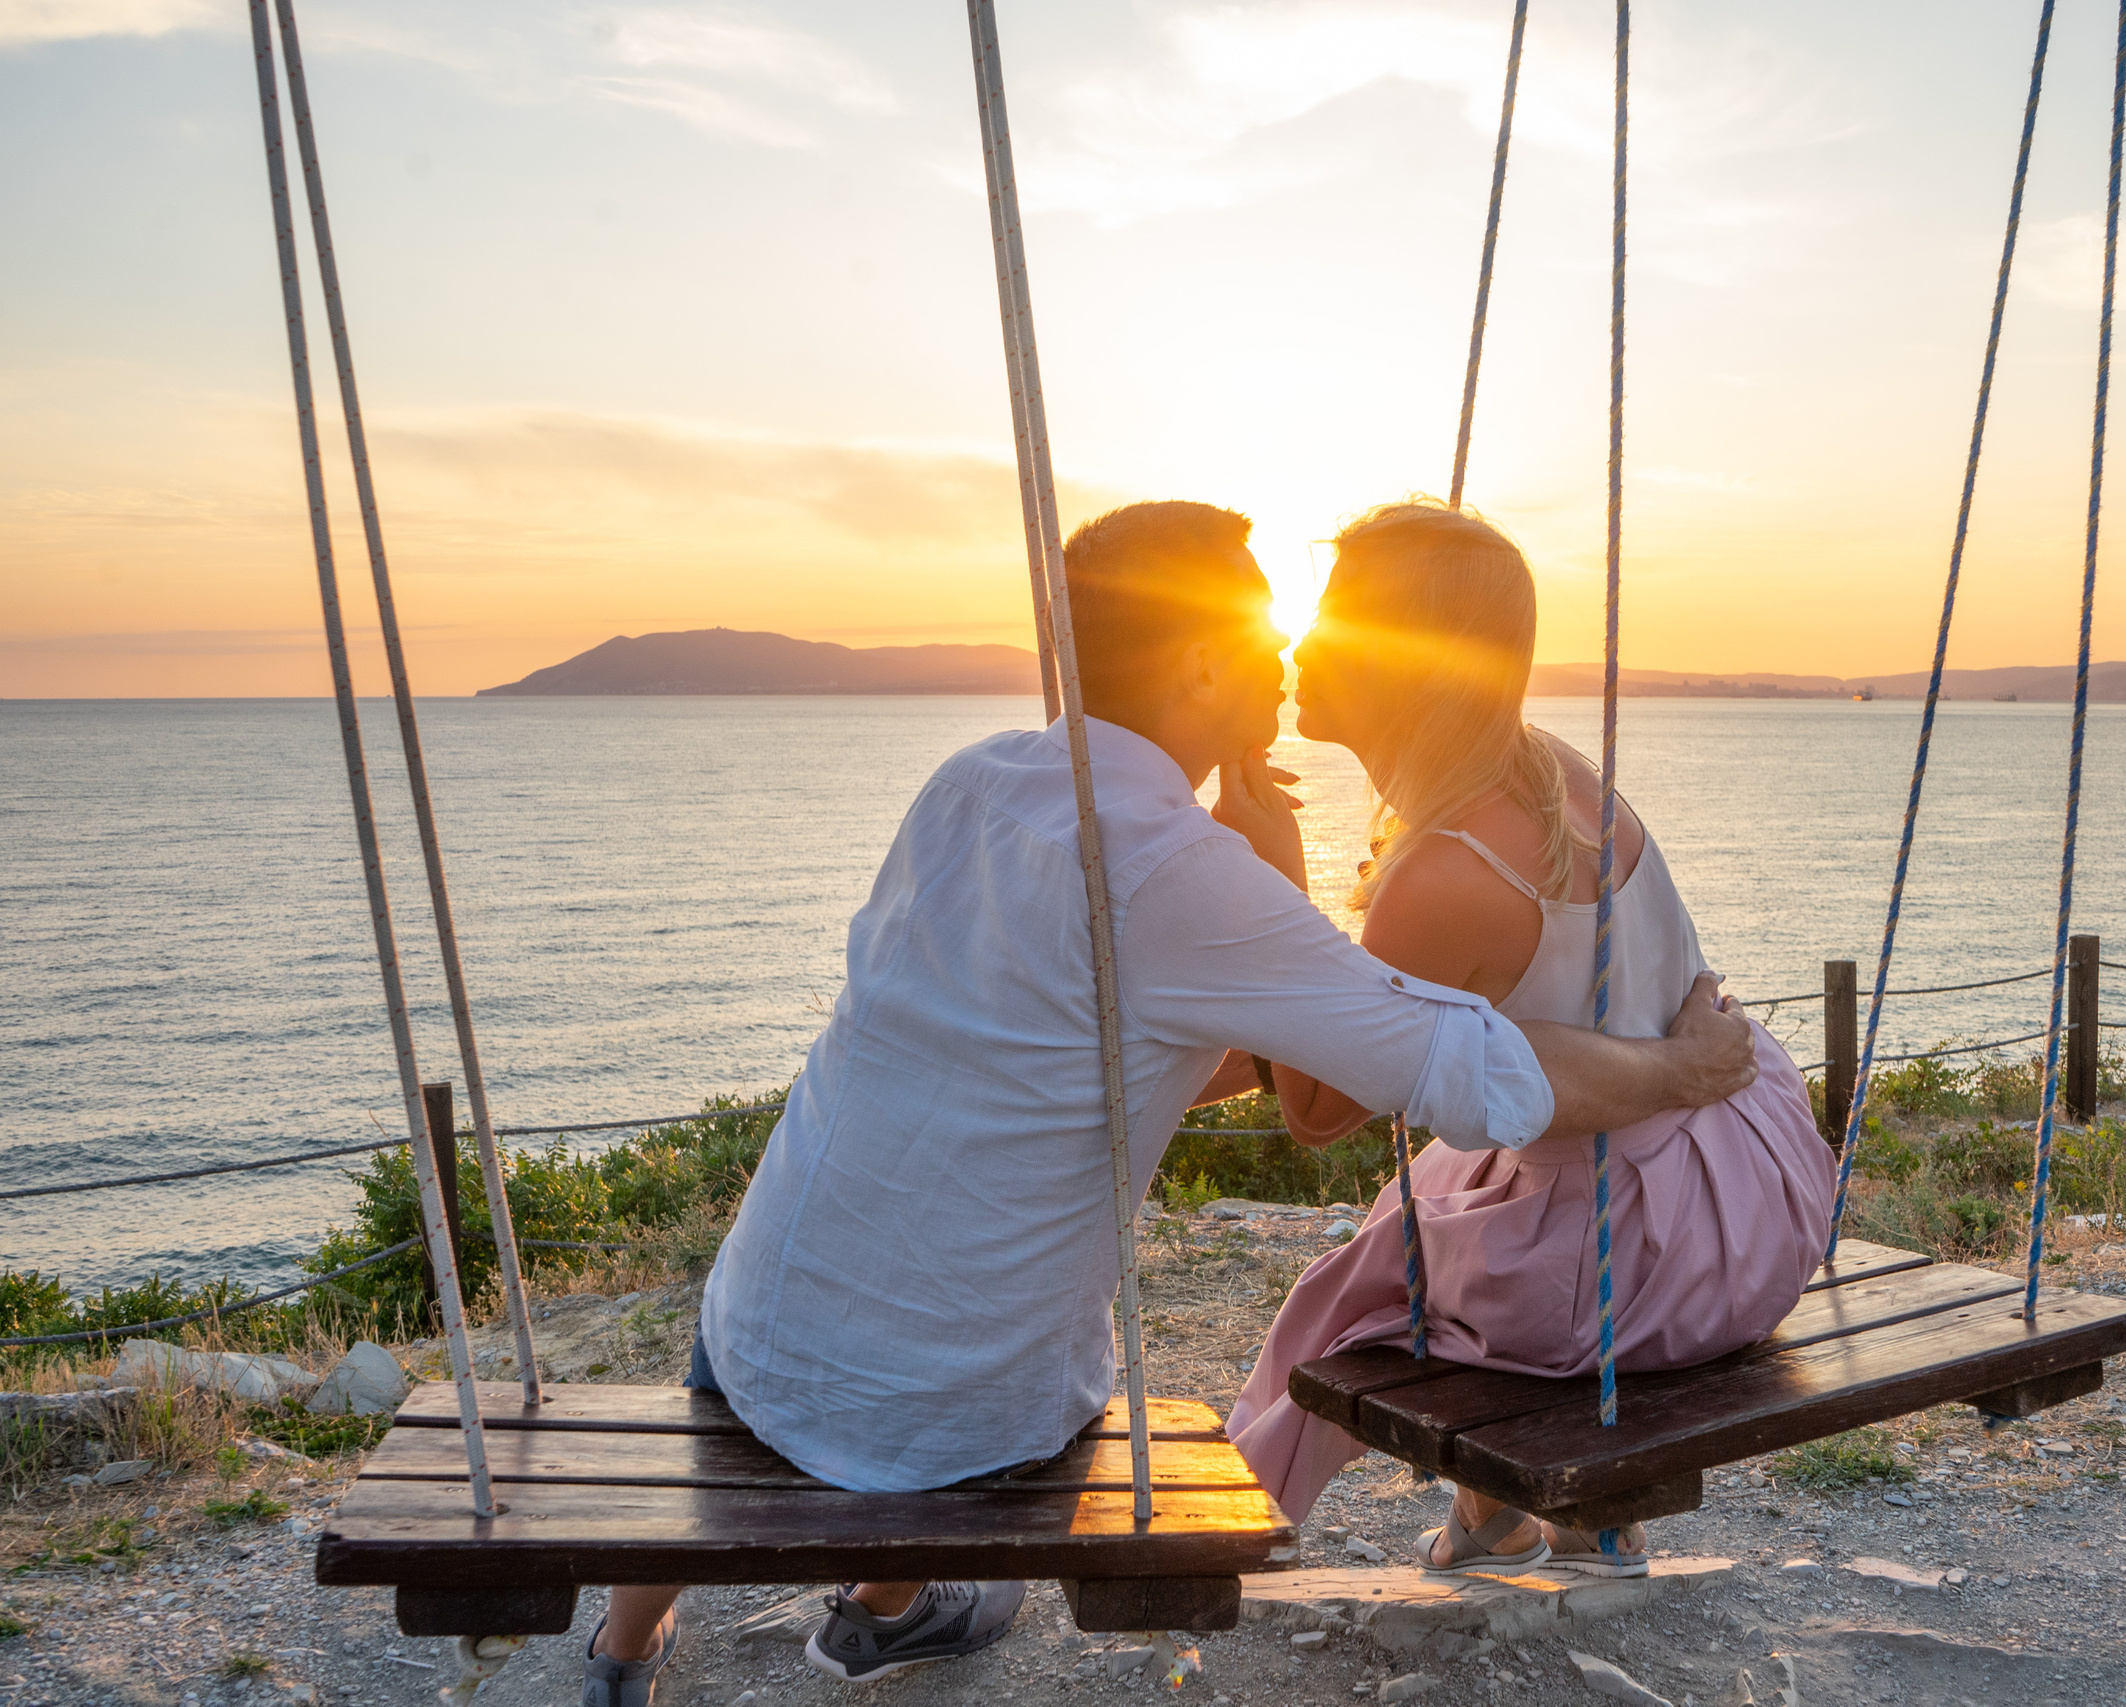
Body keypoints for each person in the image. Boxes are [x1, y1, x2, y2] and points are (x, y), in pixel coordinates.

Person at [582, 500, 1762, 1704]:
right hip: (968, 1423)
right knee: (975, 1381)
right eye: (1260, 625)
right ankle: (888, 1611)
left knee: (813, 1273)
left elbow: (1052, 1040)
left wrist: (1252, 953)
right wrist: (1686, 1071)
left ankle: (623, 1654)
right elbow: (1467, 1067)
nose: (1284, 647)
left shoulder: (969, 782)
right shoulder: (1186, 872)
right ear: (1200, 660)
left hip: (754, 1334)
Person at [1225, 501, 1836, 1578]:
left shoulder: (1442, 870)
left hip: (1639, 1259)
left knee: (1347, 1294)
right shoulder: (1550, 773)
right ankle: (1503, 1514)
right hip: (1754, 1185)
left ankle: (1229, 1532)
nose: (1296, 641)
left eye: (1330, 620)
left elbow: (1316, 1114)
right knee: (1432, 1200)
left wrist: (1271, 869)